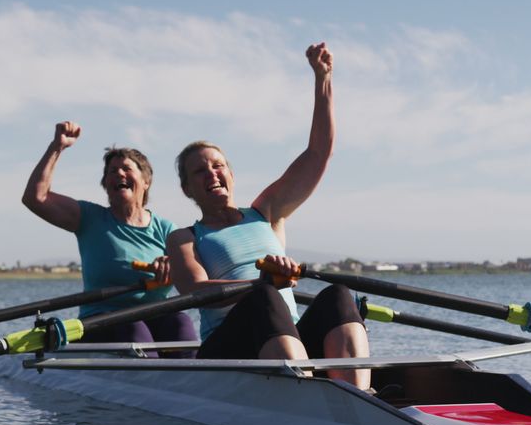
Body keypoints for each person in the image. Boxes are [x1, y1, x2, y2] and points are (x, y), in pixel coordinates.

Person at [166, 42, 371, 388]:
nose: (212, 173)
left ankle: (358, 397)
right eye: (200, 171)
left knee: (338, 294)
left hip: (284, 338)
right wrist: (260, 284)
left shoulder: (267, 211)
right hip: (227, 352)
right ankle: (305, 395)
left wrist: (323, 80)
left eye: (218, 166)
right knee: (264, 297)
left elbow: (319, 153)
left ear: (231, 175)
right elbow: (193, 289)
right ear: (187, 189)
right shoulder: (185, 236)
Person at [23, 122, 198, 354]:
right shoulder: (89, 218)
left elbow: (190, 274)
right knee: (134, 329)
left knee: (180, 322)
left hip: (156, 315)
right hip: (103, 320)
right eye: (112, 172)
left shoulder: (167, 229)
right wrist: (58, 147)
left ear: (146, 182)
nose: (118, 174)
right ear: (106, 185)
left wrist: (173, 267)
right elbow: (36, 197)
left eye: (126, 169)